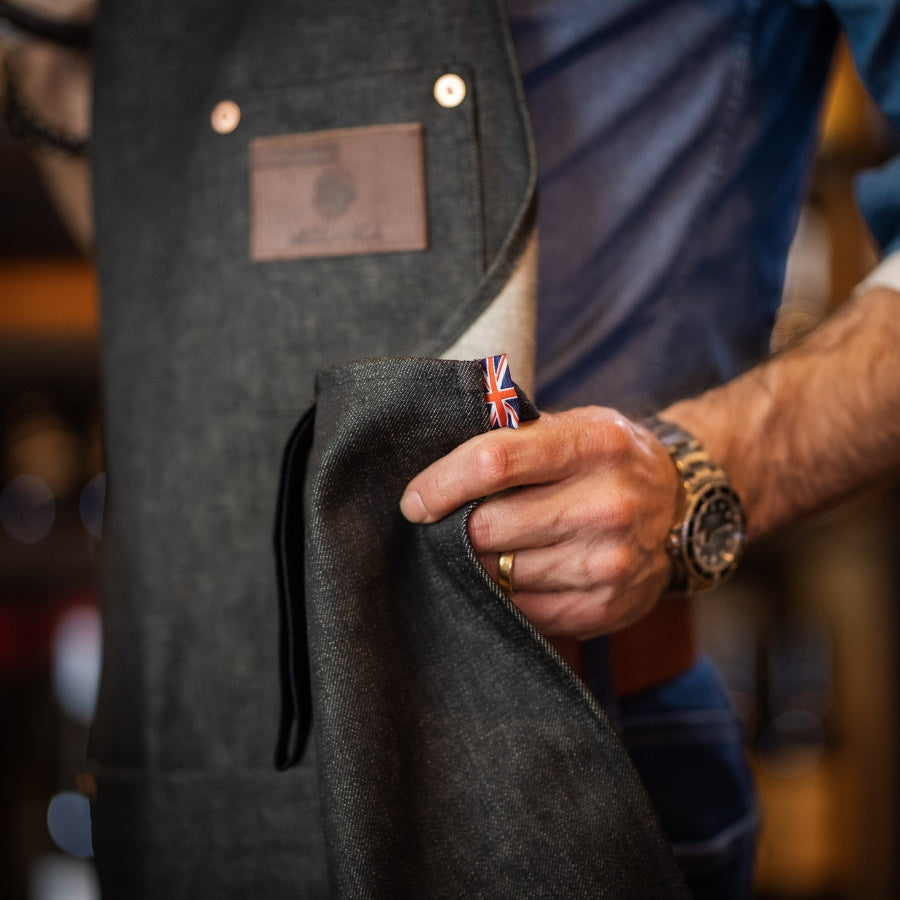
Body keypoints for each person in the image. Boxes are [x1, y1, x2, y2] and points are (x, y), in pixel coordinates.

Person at [4, 0, 899, 897]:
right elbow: (199, 272)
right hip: (186, 751)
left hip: (541, 737)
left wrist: (699, 469)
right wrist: (48, 40)